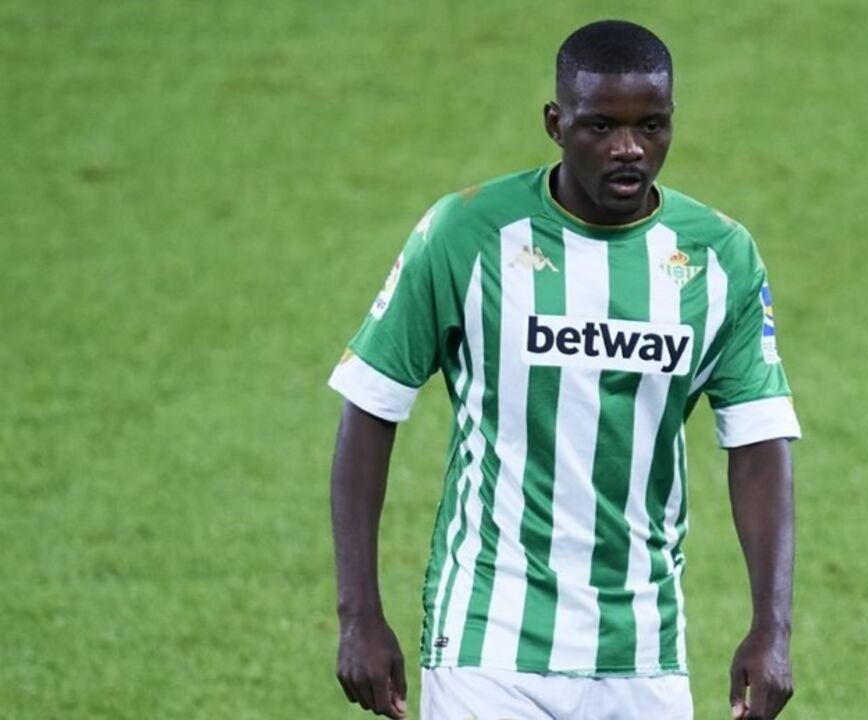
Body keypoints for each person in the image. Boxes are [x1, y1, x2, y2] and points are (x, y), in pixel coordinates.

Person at [327, 19, 800, 720]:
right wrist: (358, 613)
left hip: (643, 650)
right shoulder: (466, 233)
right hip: (487, 642)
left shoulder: (719, 256)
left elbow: (759, 440)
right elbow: (370, 407)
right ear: (555, 123)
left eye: (651, 126)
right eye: (600, 126)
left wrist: (772, 626)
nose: (628, 148)